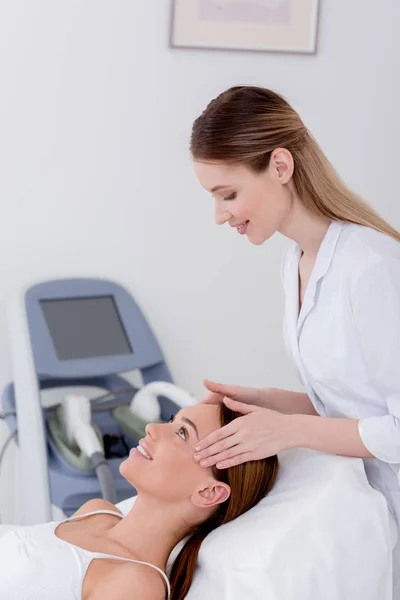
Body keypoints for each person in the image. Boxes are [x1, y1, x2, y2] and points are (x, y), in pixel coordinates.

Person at [190, 85, 400, 593]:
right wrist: (270, 404)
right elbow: (354, 401)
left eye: (228, 194)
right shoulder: (297, 262)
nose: (220, 216)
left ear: (280, 166)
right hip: (364, 508)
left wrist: (288, 432)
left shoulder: (371, 267)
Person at [0, 402, 278, 600]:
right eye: (172, 420)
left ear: (208, 492)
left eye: (183, 433)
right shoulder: (96, 512)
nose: (151, 428)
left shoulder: (136, 585)